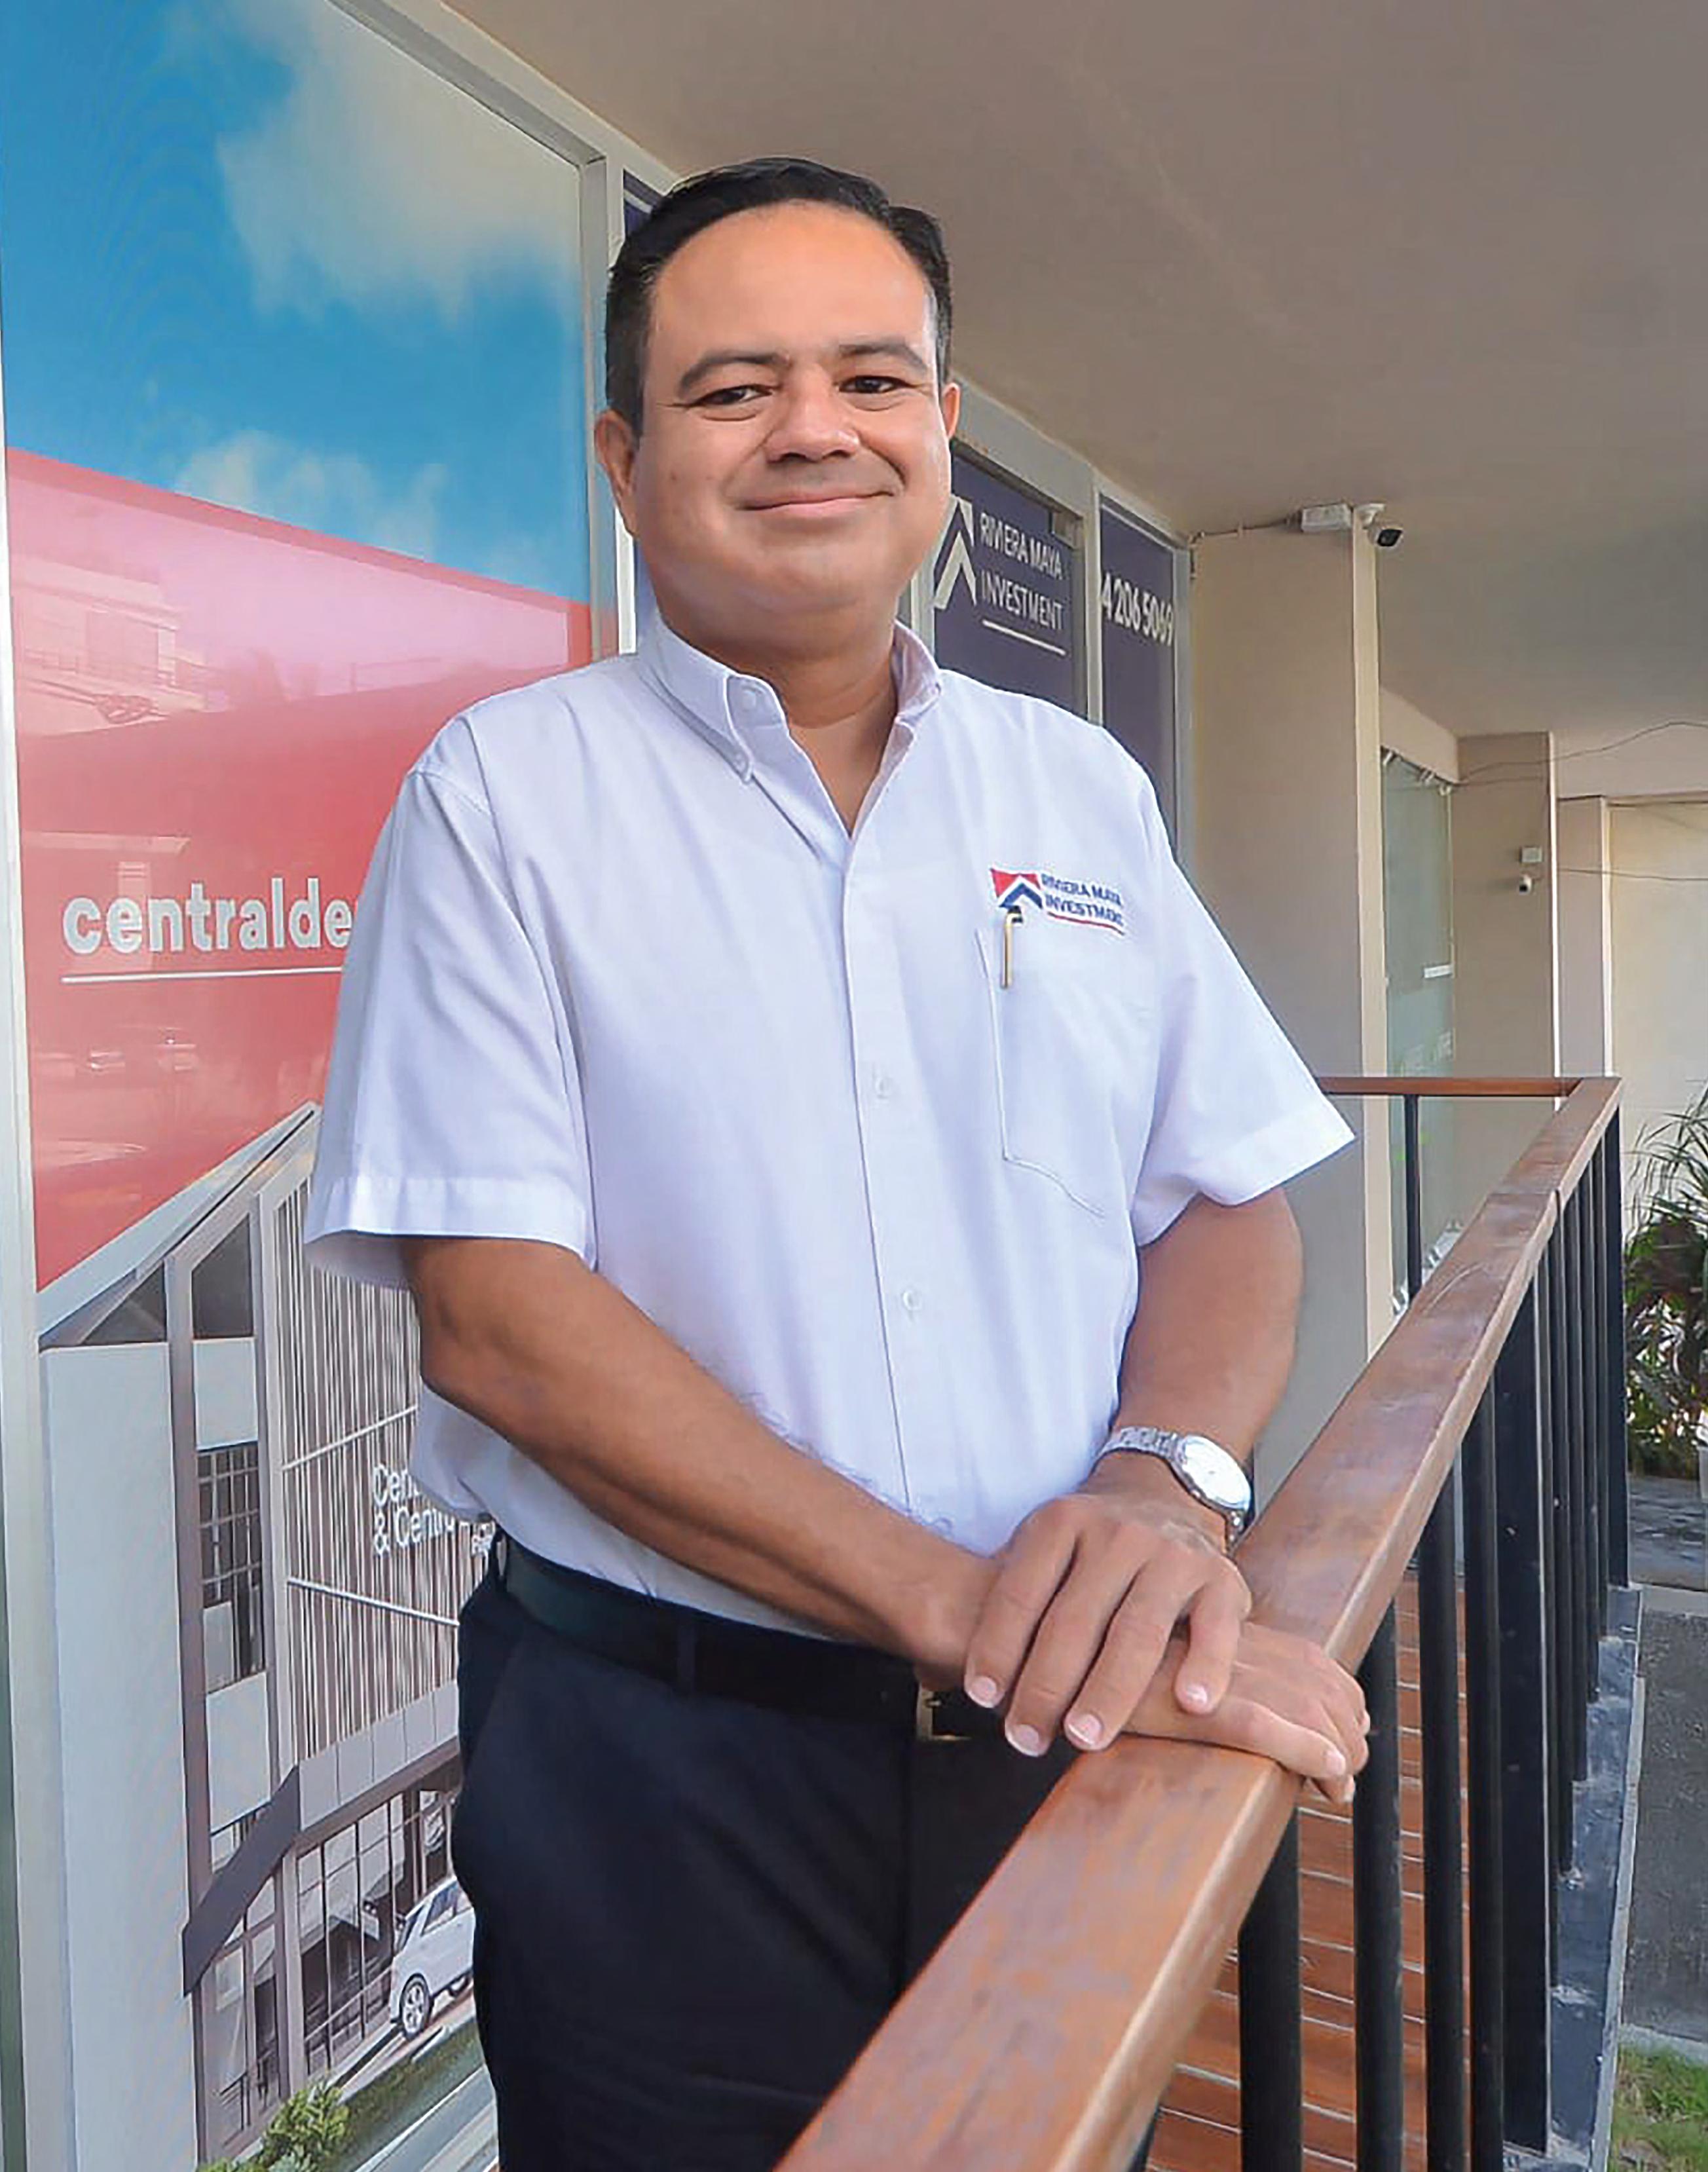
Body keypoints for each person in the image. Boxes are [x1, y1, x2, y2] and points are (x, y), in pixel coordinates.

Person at [306, 157, 1369, 2172]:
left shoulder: (1076, 788)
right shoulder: (506, 798)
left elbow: (1227, 1193)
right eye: (734, 390)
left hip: (1053, 1746)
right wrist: (982, 1613)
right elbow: (500, 1327)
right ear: (626, 461)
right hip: (664, 1771)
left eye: (873, 379)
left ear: (942, 430)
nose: (815, 428)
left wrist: (1165, 1483)